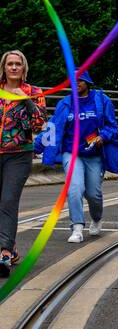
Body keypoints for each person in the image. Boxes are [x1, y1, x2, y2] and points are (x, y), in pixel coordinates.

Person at [43, 72, 118, 243]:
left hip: (94, 154)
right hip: (71, 153)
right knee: (74, 188)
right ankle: (77, 228)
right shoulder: (65, 103)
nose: (76, 82)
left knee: (94, 194)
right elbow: (52, 129)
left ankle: (97, 218)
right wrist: (36, 147)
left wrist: (103, 137)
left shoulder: (101, 100)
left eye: (80, 80)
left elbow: (112, 126)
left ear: (88, 82)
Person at [0, 50, 46, 276]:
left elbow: (40, 124)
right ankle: (11, 247)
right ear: (4, 67)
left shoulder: (34, 92)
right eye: (10, 64)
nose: (14, 67)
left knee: (8, 201)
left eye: (18, 64)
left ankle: (4, 254)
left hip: (19, 155)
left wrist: (25, 99)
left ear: (24, 67)